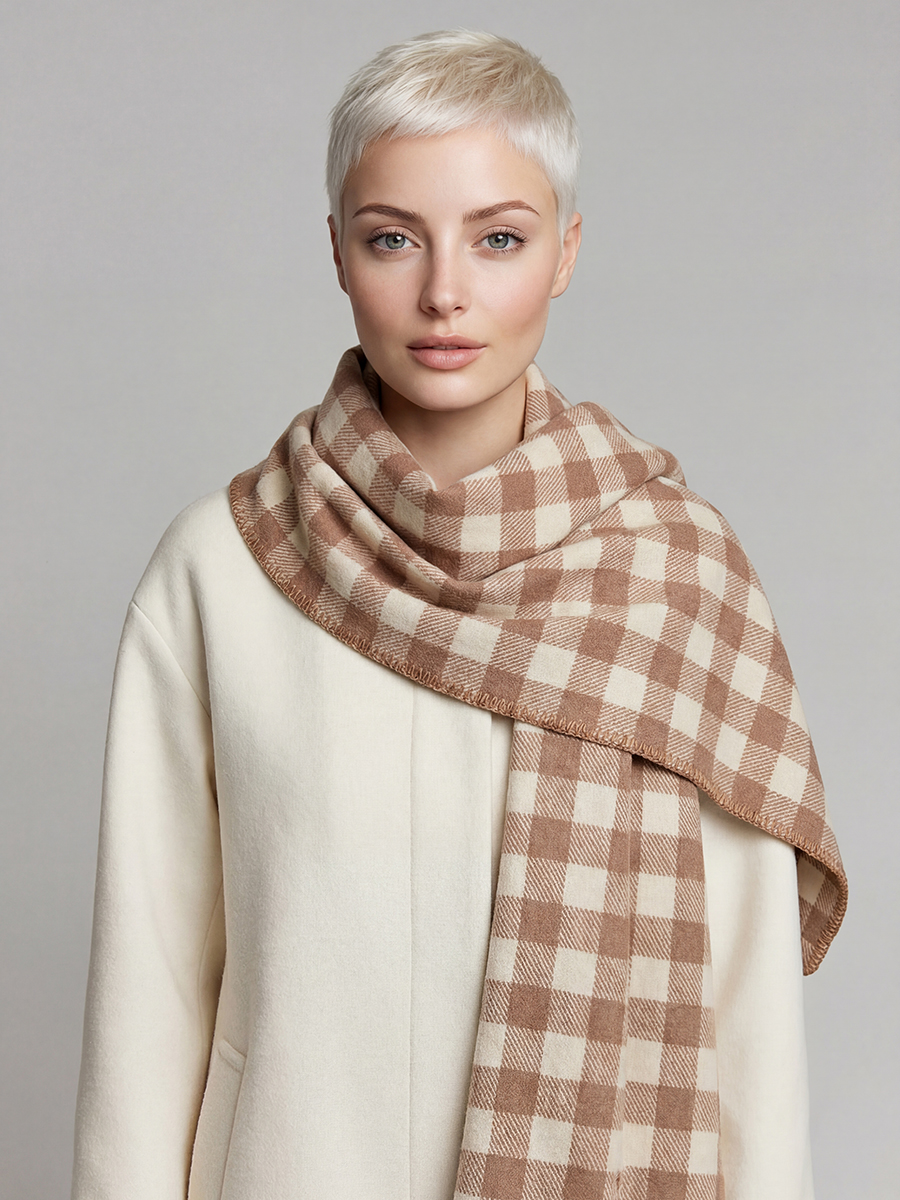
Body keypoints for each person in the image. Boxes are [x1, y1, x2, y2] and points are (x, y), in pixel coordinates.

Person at [72, 30, 846, 1200]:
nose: (445, 291)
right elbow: (151, 993)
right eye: (394, 237)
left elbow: (745, 1016)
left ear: (566, 251)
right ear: (338, 251)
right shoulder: (221, 570)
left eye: (499, 239)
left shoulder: (676, 580)